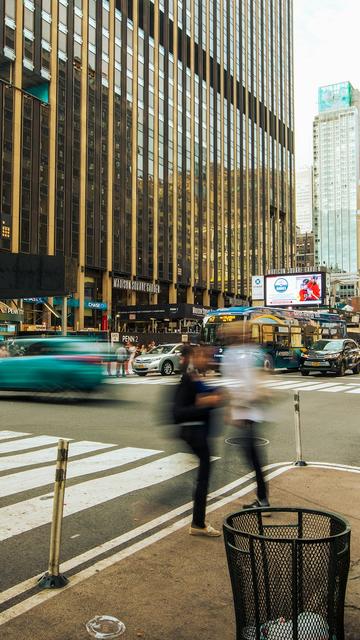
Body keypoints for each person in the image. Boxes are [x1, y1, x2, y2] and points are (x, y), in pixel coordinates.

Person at [173, 345, 223, 537]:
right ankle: (198, 523)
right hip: (194, 433)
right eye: (204, 356)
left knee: (203, 475)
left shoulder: (196, 376)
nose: (209, 359)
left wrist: (214, 396)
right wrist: (205, 403)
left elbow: (210, 395)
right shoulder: (188, 378)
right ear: (194, 358)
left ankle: (198, 521)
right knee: (203, 477)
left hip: (198, 433)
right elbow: (177, 413)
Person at [222, 322, 271, 513]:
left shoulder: (235, 355)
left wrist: (234, 408)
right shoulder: (252, 351)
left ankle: (263, 499)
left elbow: (238, 384)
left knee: (253, 458)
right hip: (252, 411)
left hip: (245, 413)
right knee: (254, 458)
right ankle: (262, 498)